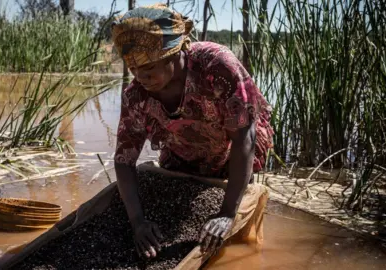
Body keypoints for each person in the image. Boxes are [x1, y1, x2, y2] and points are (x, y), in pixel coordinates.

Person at [111, 3, 274, 259]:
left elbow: (245, 137)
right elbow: (123, 161)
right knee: (176, 196)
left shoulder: (217, 67)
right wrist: (138, 222)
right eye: (134, 69)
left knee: (235, 230)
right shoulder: (136, 96)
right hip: (181, 147)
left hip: (232, 148)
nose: (141, 77)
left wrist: (227, 213)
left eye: (150, 68)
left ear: (175, 52)